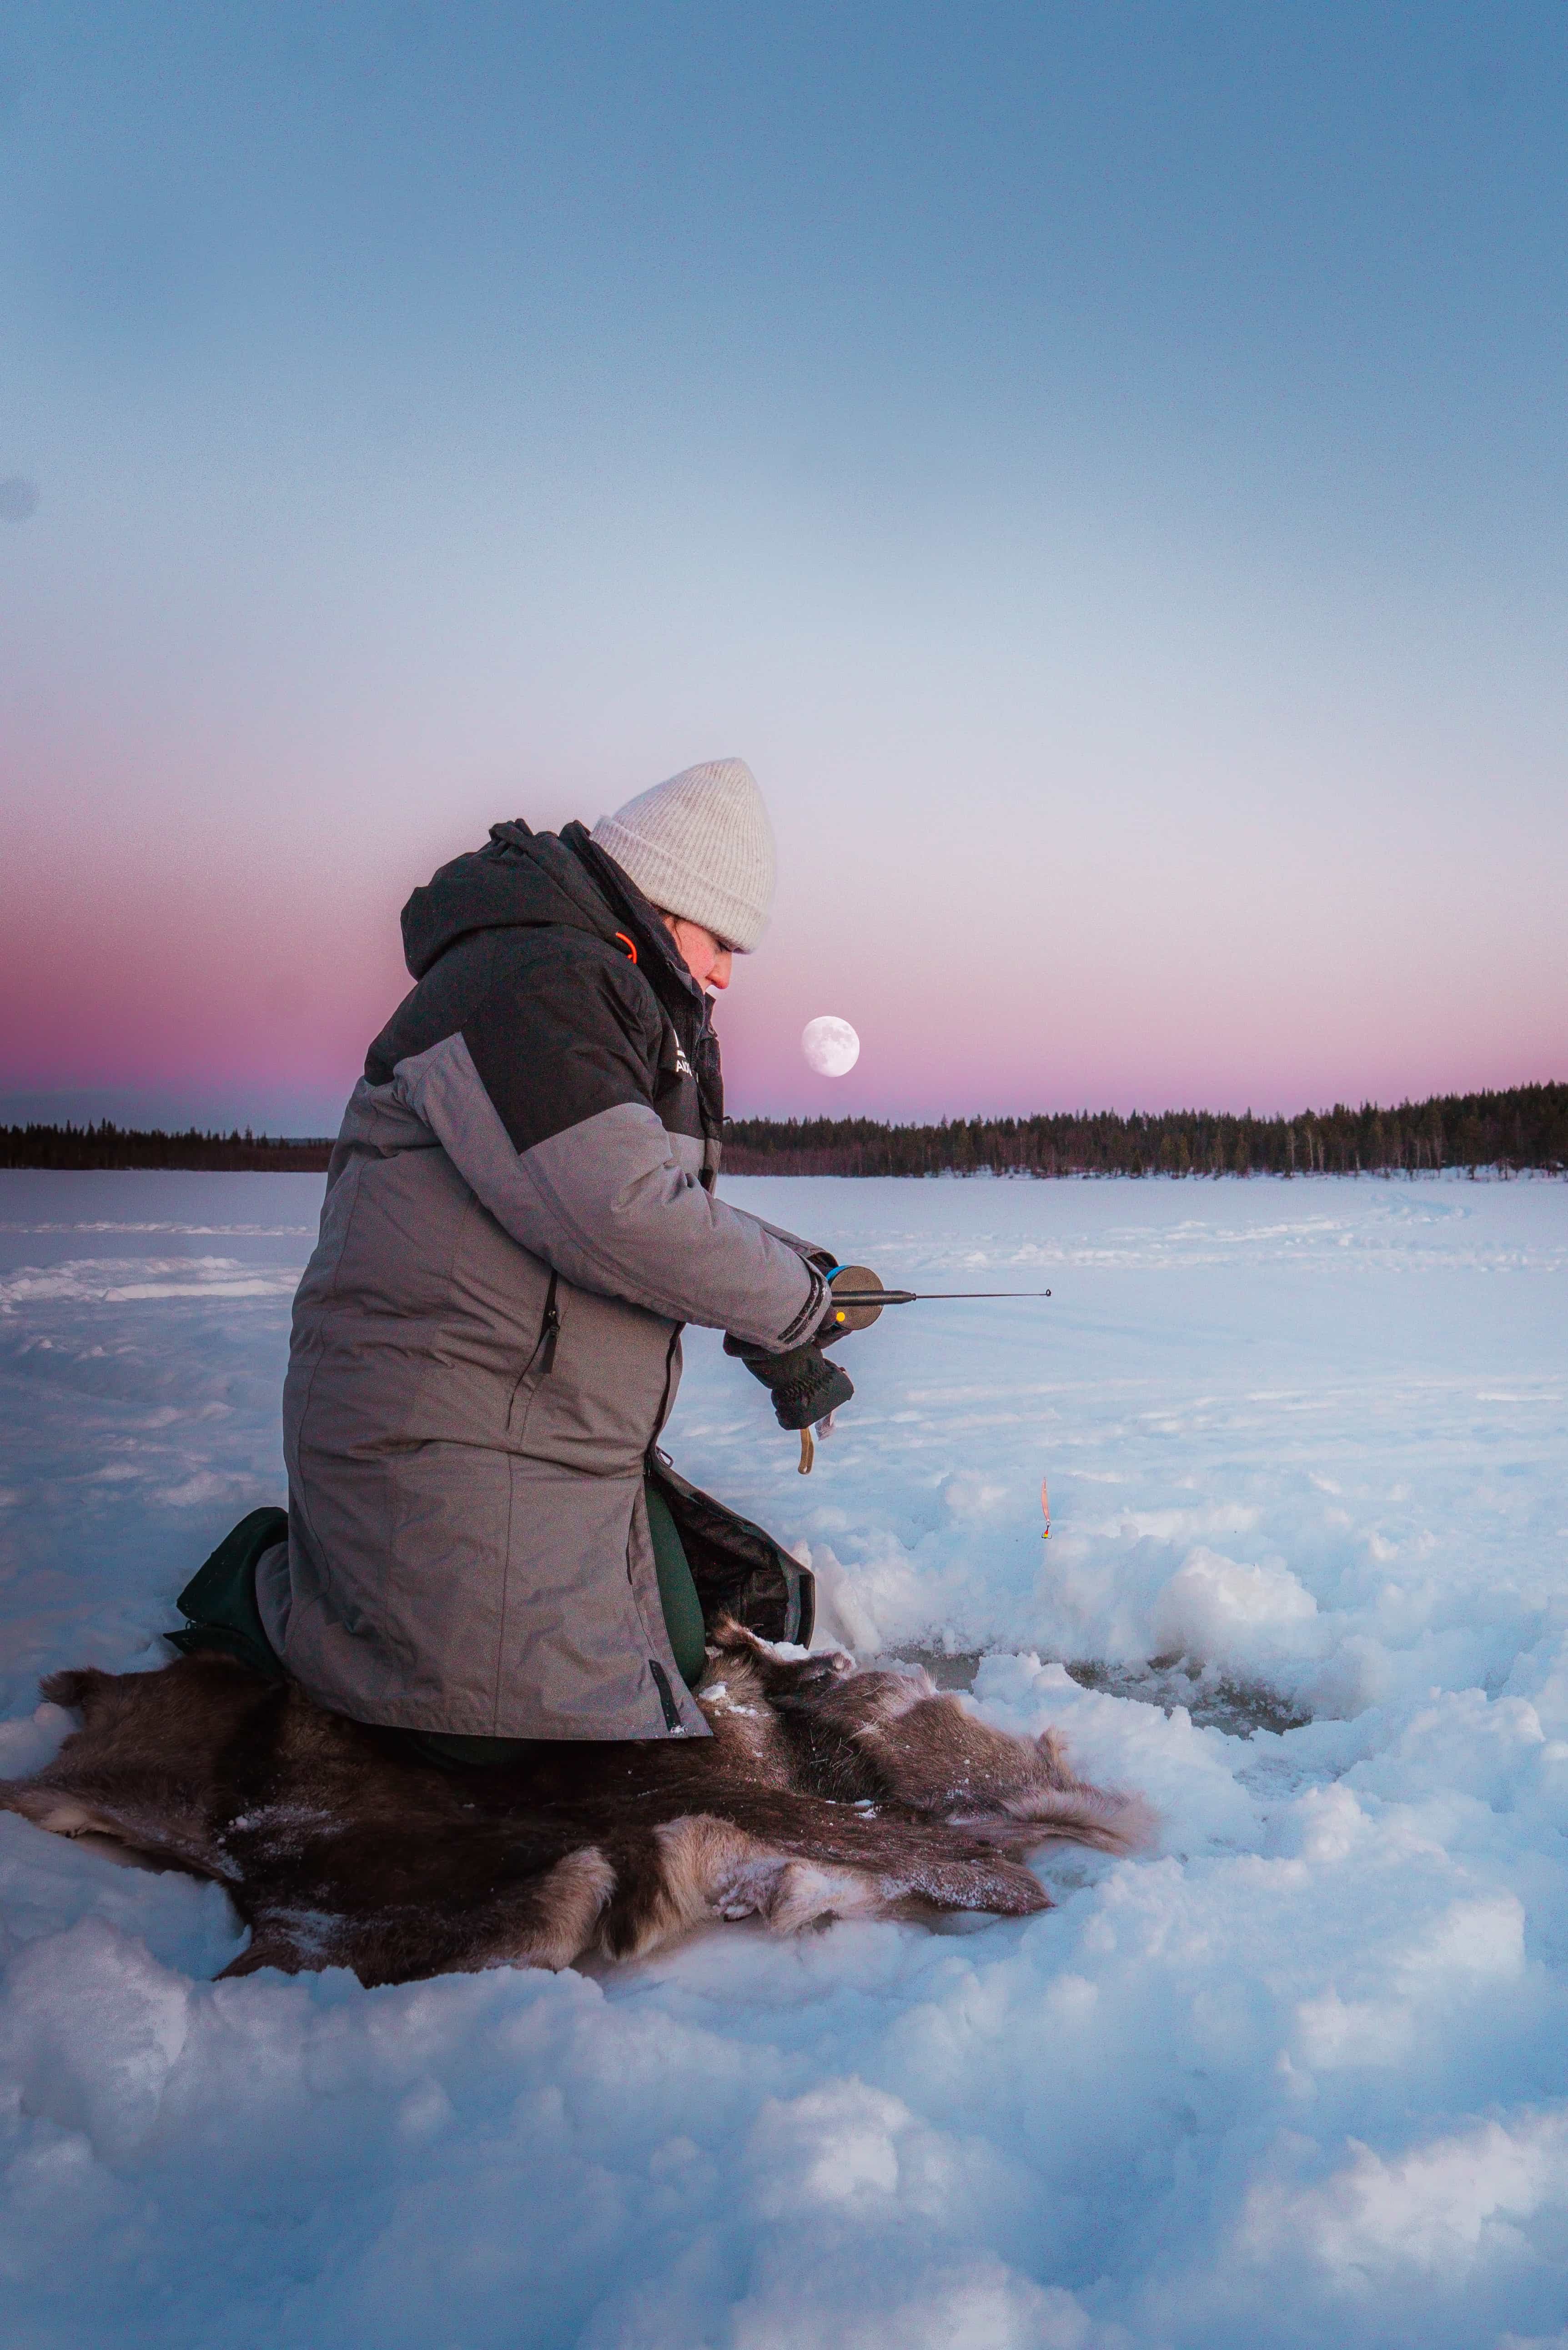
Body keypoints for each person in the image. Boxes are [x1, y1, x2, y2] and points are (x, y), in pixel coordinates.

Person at [254, 759, 855, 1746]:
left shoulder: (592, 984)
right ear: (663, 904)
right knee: (510, 1725)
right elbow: (617, 1215)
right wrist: (791, 1298)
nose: (724, 975)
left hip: (536, 1439)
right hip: (445, 1442)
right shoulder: (536, 981)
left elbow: (633, 1203)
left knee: (714, 1618)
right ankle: (265, 1589)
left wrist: (795, 1294)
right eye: (718, 941)